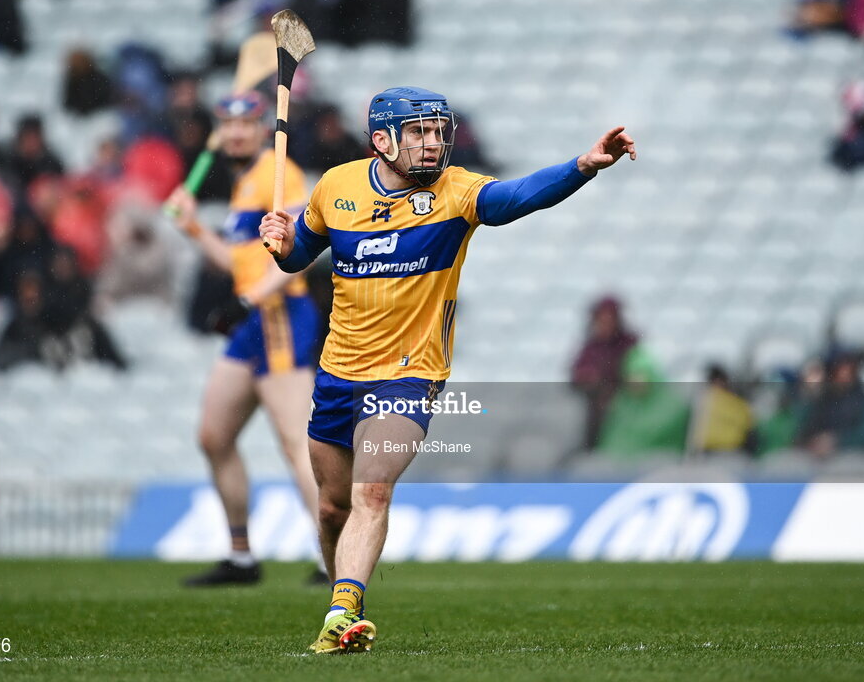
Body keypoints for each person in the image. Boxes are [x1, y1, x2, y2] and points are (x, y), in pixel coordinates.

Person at [258, 86, 636, 653]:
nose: (434, 144)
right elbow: (297, 255)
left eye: (439, 132)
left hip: (410, 375)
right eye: (419, 133)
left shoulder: (457, 192)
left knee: (373, 491)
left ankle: (343, 613)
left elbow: (519, 196)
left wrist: (583, 166)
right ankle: (342, 589)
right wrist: (282, 245)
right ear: (382, 140)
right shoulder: (336, 187)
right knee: (333, 505)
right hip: (338, 374)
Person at [164, 91, 325, 587]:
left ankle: (333, 557)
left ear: (261, 129)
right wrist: (191, 227)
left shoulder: (282, 175)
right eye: (227, 125)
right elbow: (237, 261)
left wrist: (250, 299)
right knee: (213, 437)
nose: (235, 133)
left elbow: (301, 252)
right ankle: (241, 558)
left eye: (246, 124)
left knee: (297, 444)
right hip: (250, 320)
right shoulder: (243, 185)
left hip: (278, 313)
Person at [570, 296, 638, 451]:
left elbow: (636, 373)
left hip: (625, 401)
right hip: (596, 403)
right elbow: (576, 375)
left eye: (609, 319)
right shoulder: (590, 347)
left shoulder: (629, 344)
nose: (605, 324)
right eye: (601, 319)